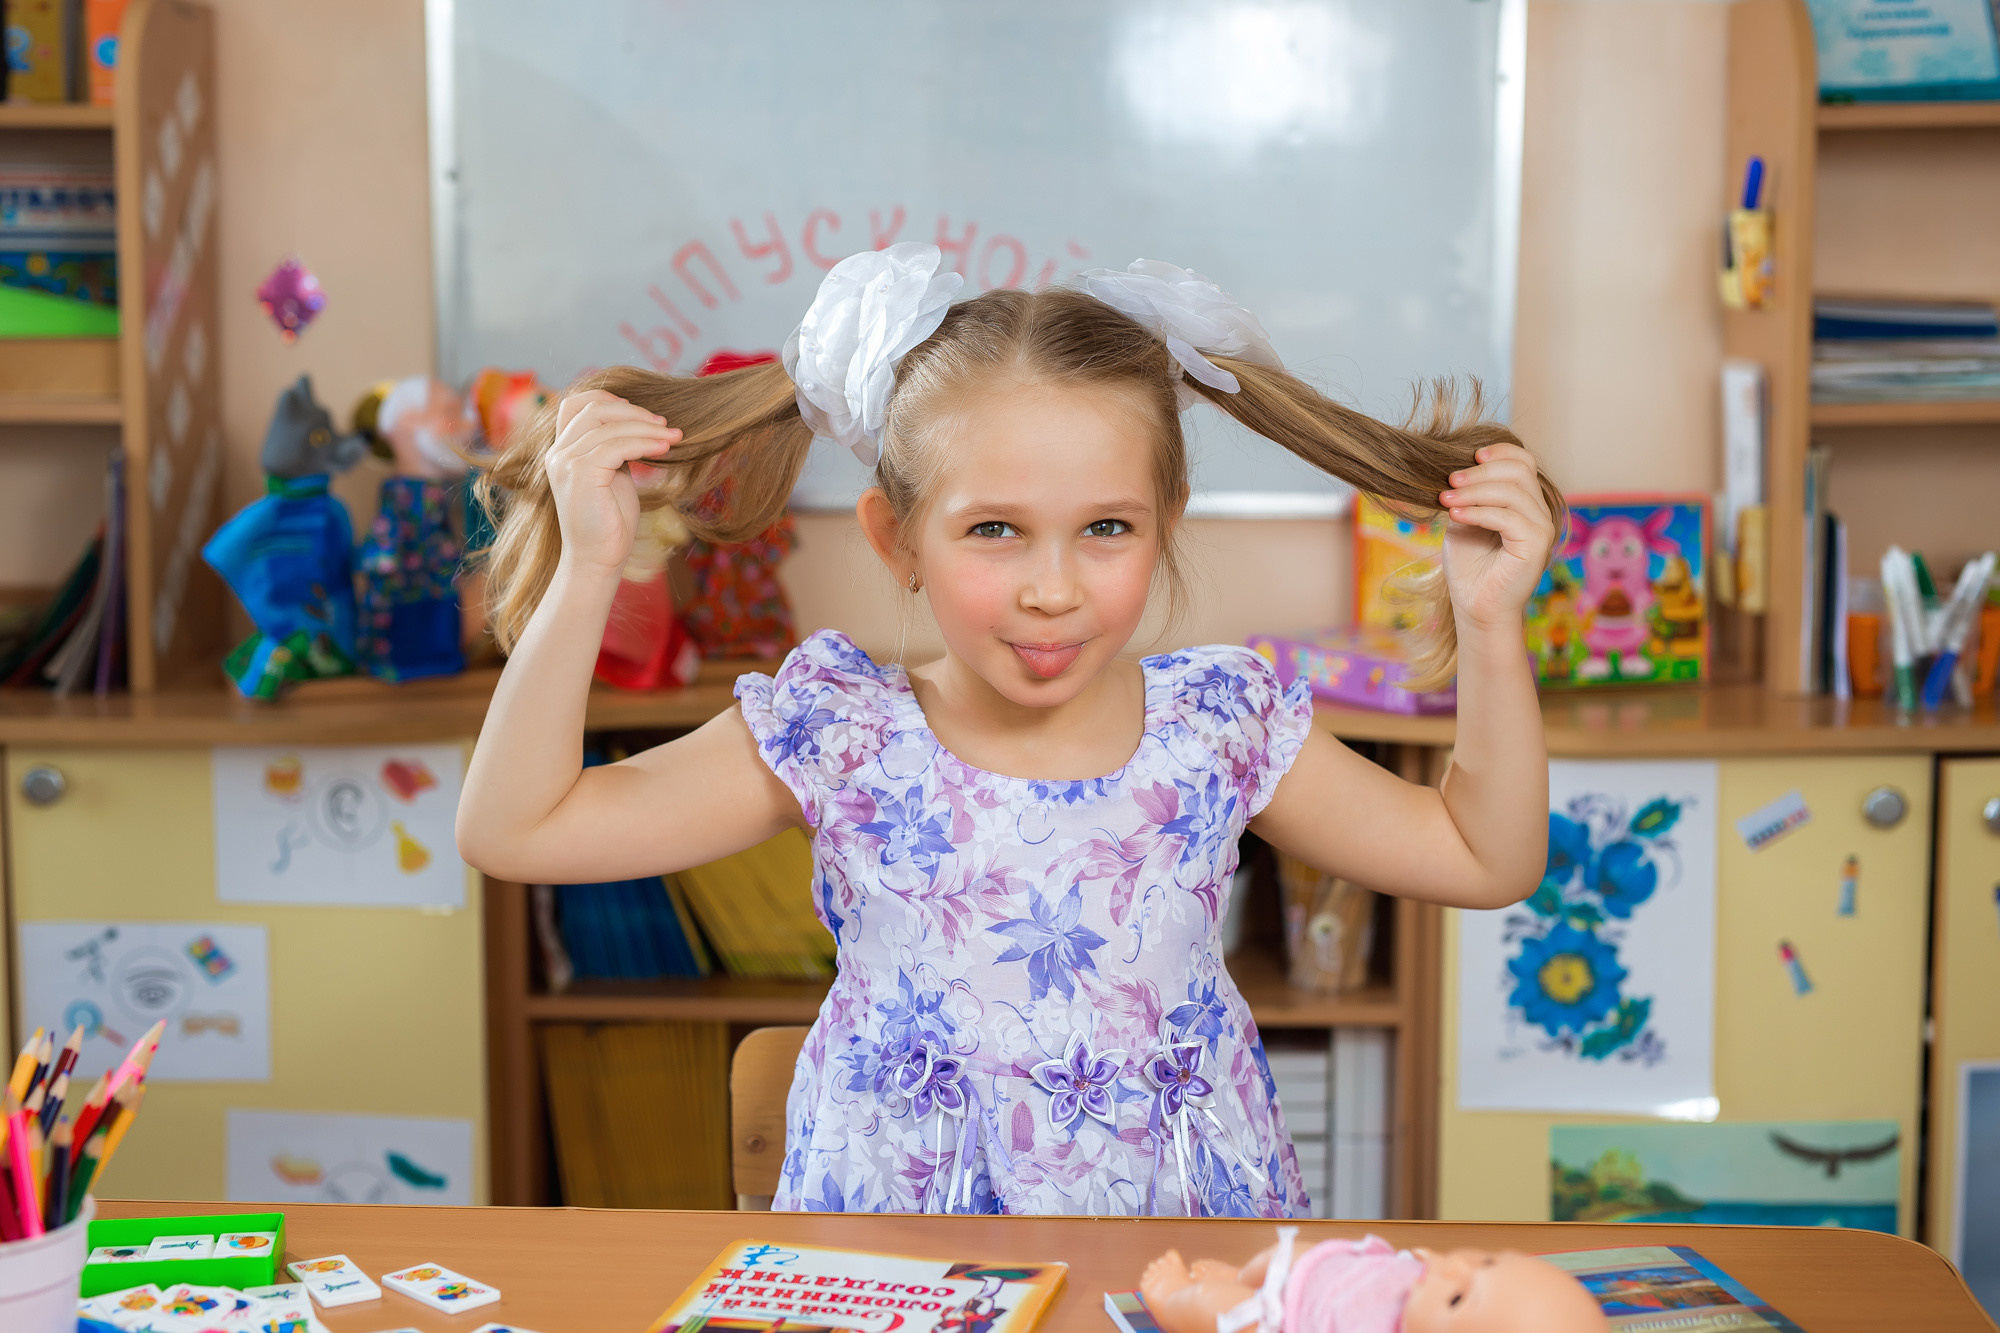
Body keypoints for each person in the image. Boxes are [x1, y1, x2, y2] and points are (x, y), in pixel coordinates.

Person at [457, 245, 1560, 1216]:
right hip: (901, 1269)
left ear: (1165, 525)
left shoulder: (1216, 727)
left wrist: (1487, 623)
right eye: (994, 529)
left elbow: (1485, 855)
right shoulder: (843, 736)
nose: (1052, 587)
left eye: (1106, 528)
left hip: (1171, 1262)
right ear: (897, 540)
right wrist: (590, 565)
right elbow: (516, 828)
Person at [1140, 1227, 1608, 1333]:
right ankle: (1243, 1276)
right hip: (1319, 1267)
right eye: (1488, 1261)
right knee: (1274, 1256)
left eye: (1457, 1297)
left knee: (1215, 1309)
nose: (1454, 1267)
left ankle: (1171, 1297)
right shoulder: (1435, 1280)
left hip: (1280, 1320)